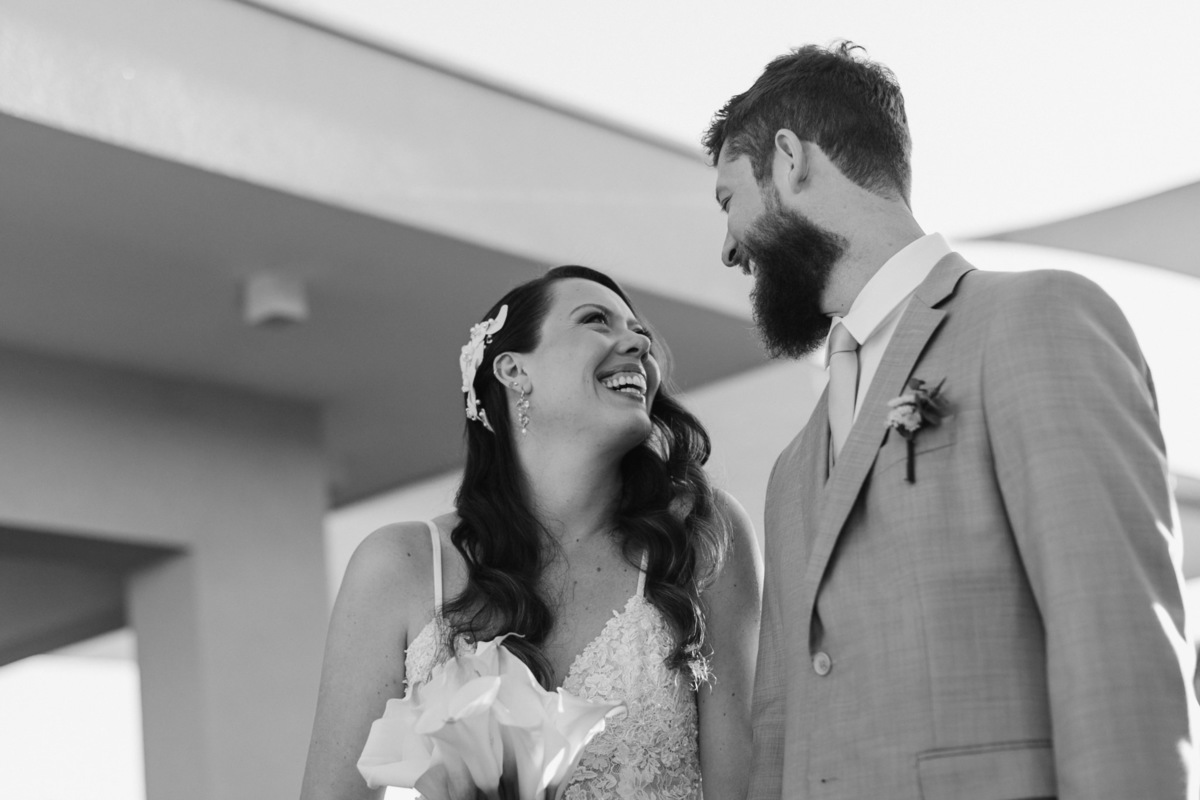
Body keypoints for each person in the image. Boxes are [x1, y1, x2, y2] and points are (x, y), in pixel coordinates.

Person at [704, 41, 1197, 799]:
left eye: (729, 200)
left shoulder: (1036, 318)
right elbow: (778, 732)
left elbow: (1118, 650)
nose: (730, 247)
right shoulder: (790, 470)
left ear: (790, 159)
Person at [300, 265, 762, 800]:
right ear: (514, 372)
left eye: (639, 332)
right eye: (597, 321)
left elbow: (747, 784)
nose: (638, 342)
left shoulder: (701, 534)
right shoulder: (397, 566)